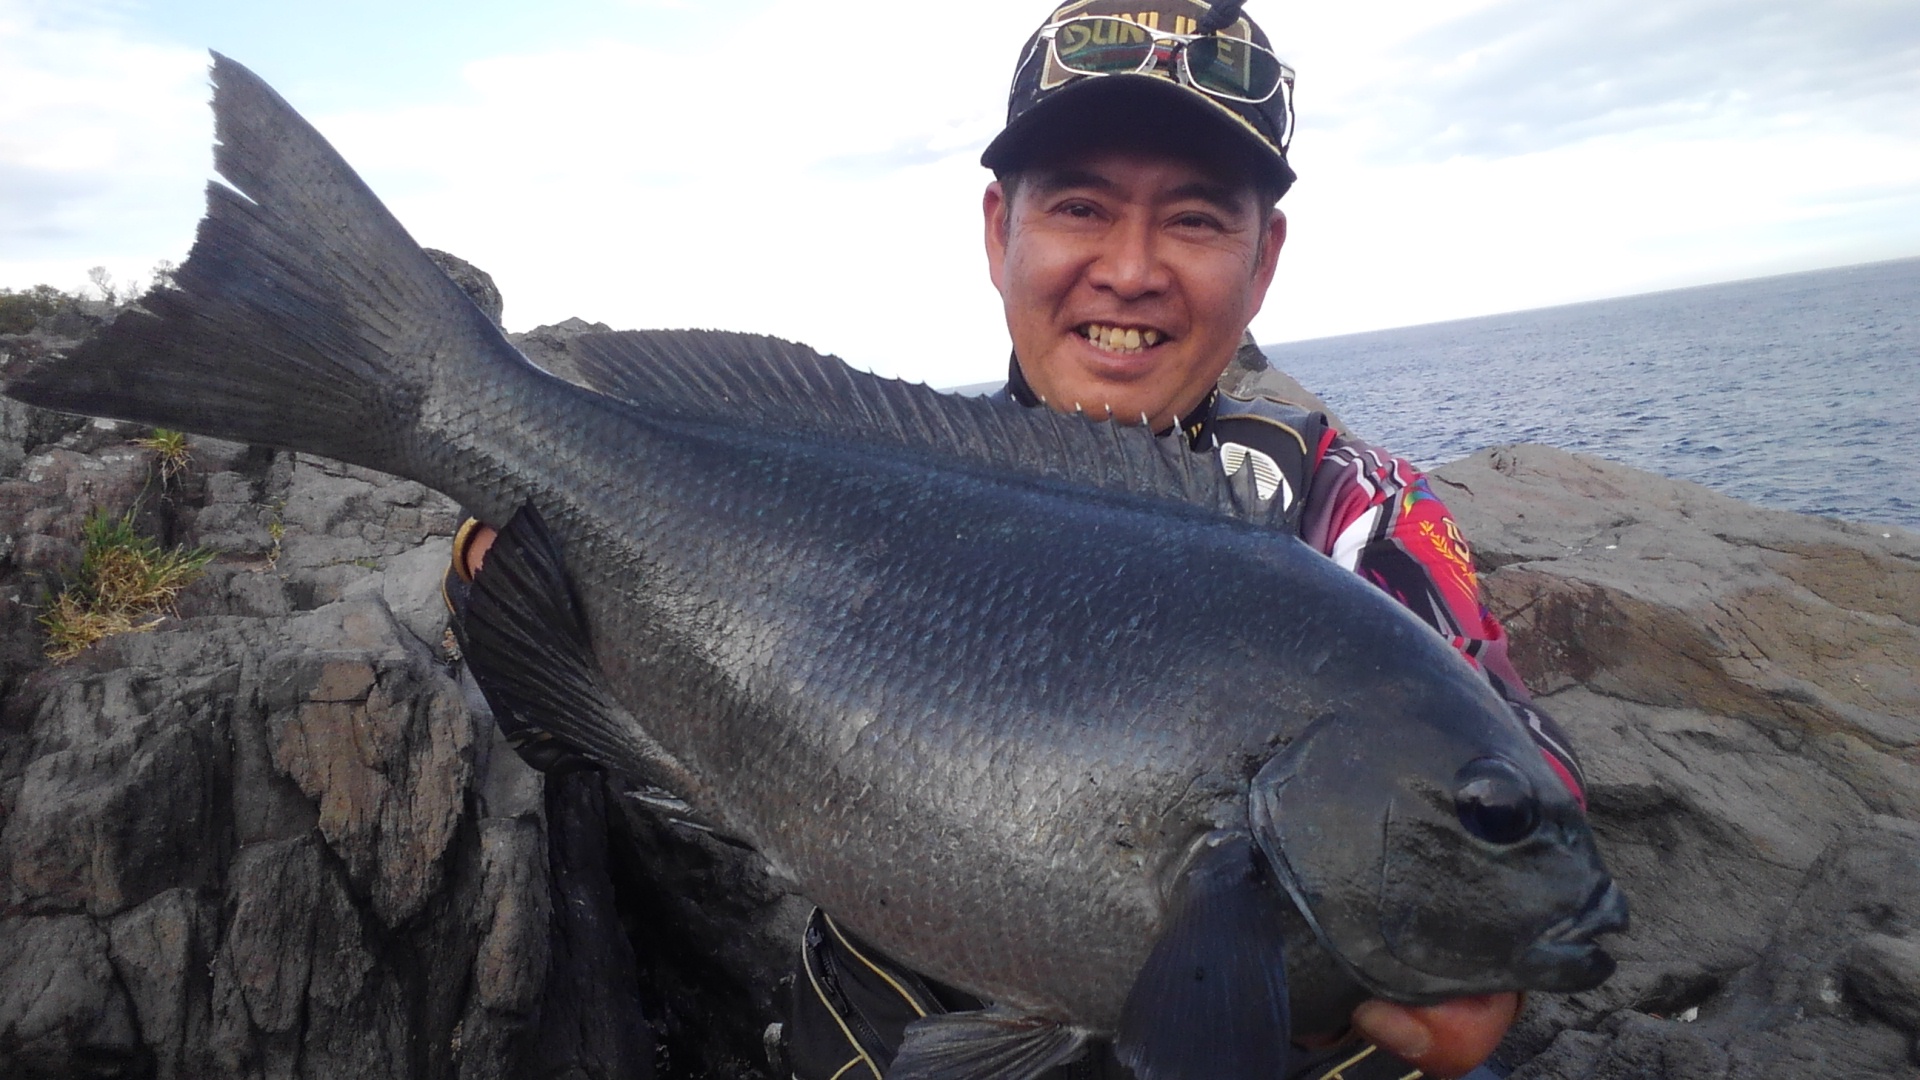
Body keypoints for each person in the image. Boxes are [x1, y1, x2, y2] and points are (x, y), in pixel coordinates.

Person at [449, 2, 1588, 1076]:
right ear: (1002, 231)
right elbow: (631, 756)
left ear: (1264, 260)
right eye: (1080, 207)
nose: (1131, 269)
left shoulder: (1361, 517)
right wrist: (537, 597)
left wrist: (1499, 905)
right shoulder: (864, 466)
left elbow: (1509, 771)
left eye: (1195, 217)